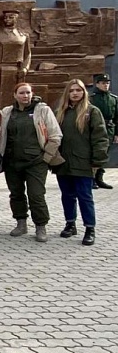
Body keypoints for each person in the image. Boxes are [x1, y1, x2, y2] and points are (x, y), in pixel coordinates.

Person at [0, 83, 63, 243]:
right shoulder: (7, 112)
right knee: (16, 194)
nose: (25, 96)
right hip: (12, 162)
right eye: (21, 93)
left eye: (28, 92)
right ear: (15, 95)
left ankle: (41, 226)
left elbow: (55, 136)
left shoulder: (42, 110)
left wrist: (45, 158)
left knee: (36, 195)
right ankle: (21, 223)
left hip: (36, 162)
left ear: (32, 94)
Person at [55, 79, 109, 246]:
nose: (75, 93)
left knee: (85, 196)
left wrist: (97, 160)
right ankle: (70, 224)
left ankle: (89, 228)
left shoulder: (92, 112)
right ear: (67, 93)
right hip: (63, 163)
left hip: (83, 162)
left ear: (84, 92)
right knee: (67, 195)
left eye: (78, 90)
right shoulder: (60, 112)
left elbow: (100, 137)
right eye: (72, 90)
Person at [89, 73, 117, 189]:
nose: (106, 85)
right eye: (103, 83)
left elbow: (117, 117)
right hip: (95, 129)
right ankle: (91, 179)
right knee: (93, 153)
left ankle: (99, 178)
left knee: (104, 153)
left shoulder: (113, 99)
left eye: (107, 83)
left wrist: (116, 133)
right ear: (97, 84)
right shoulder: (92, 98)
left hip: (109, 129)